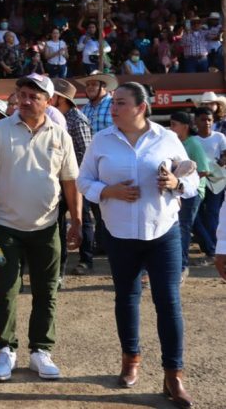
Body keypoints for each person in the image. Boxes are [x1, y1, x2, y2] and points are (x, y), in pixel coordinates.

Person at [77, 82, 198, 407]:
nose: (113, 108)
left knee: (168, 302)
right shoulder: (102, 140)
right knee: (127, 298)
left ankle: (173, 375)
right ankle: (130, 359)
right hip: (119, 234)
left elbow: (192, 179)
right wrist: (108, 191)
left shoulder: (166, 138)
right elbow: (83, 180)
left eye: (120, 103)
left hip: (163, 232)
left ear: (141, 107)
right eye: (113, 102)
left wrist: (176, 182)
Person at [0, 74, 82, 382]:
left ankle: (40, 351)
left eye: (34, 96)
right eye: (22, 94)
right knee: (5, 288)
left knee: (46, 290)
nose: (25, 100)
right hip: (4, 226)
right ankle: (6, 348)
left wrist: (76, 220)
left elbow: (70, 181)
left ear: (49, 101)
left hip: (47, 226)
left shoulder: (60, 135)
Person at [51, 79, 95, 278]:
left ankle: (86, 260)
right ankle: (61, 262)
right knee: (62, 220)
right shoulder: (60, 117)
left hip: (76, 179)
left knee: (83, 218)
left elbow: (86, 153)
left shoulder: (77, 120)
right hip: (62, 178)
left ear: (60, 99)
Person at [168, 111, 212, 280]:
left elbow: (204, 169)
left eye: (174, 124)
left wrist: (185, 181)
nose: (171, 128)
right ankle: (210, 250)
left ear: (185, 126)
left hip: (193, 192)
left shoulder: (193, 143)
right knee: (192, 225)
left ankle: (182, 266)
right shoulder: (178, 142)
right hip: (181, 191)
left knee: (183, 226)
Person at [193, 106, 226, 267]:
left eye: (209, 120)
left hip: (217, 181)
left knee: (213, 214)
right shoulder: (193, 140)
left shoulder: (219, 137)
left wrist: (220, 162)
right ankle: (210, 247)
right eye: (203, 120)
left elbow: (225, 154)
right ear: (195, 121)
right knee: (197, 216)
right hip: (199, 182)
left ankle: (213, 249)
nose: (206, 123)